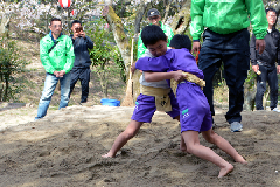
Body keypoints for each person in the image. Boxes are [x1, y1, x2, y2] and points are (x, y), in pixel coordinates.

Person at [135, 25, 247, 178]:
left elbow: (148, 66)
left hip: (189, 102)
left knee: (193, 145)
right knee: (210, 135)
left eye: (160, 47)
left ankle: (224, 165)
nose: (158, 52)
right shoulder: (188, 57)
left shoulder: (169, 56)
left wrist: (136, 64)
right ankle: (238, 157)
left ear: (170, 45)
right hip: (202, 99)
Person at [102, 31, 188, 159]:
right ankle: (112, 152)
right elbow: (149, 77)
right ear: (147, 47)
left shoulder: (172, 52)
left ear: (166, 40)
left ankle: (184, 146)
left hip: (167, 95)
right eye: (152, 49)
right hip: (148, 96)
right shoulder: (147, 57)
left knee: (186, 119)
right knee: (132, 130)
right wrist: (172, 74)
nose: (157, 51)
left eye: (160, 46)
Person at [190, 0, 268, 132]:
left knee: (237, 79)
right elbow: (197, 9)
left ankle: (234, 117)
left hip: (238, 35)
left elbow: (255, 6)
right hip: (211, 35)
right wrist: (196, 37)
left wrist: (260, 34)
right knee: (202, 76)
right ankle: (207, 117)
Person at [35, 18, 75, 120]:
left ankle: (60, 118)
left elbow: (71, 56)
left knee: (65, 97)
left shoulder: (66, 39)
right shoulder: (45, 40)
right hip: (52, 72)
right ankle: (39, 118)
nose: (58, 28)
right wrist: (52, 70)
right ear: (50, 27)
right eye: (55, 26)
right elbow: (44, 58)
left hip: (65, 71)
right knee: (46, 96)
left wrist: (65, 70)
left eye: (60, 26)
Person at [251, 8, 280, 111]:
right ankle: (259, 108)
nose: (273, 18)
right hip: (260, 64)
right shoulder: (259, 32)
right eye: (270, 15)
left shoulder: (277, 33)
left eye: (274, 15)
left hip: (272, 65)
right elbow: (252, 48)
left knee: (275, 88)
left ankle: (274, 107)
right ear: (265, 17)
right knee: (261, 88)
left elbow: (279, 49)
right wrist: (254, 63)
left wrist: (279, 63)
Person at [68, 20, 93, 104]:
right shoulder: (69, 38)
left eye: (79, 27)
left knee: (85, 87)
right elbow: (67, 48)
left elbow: (91, 46)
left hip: (85, 67)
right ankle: (64, 104)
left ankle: (84, 104)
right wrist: (74, 38)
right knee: (69, 86)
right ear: (72, 28)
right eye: (75, 27)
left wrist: (85, 37)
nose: (77, 29)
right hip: (73, 67)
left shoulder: (86, 38)